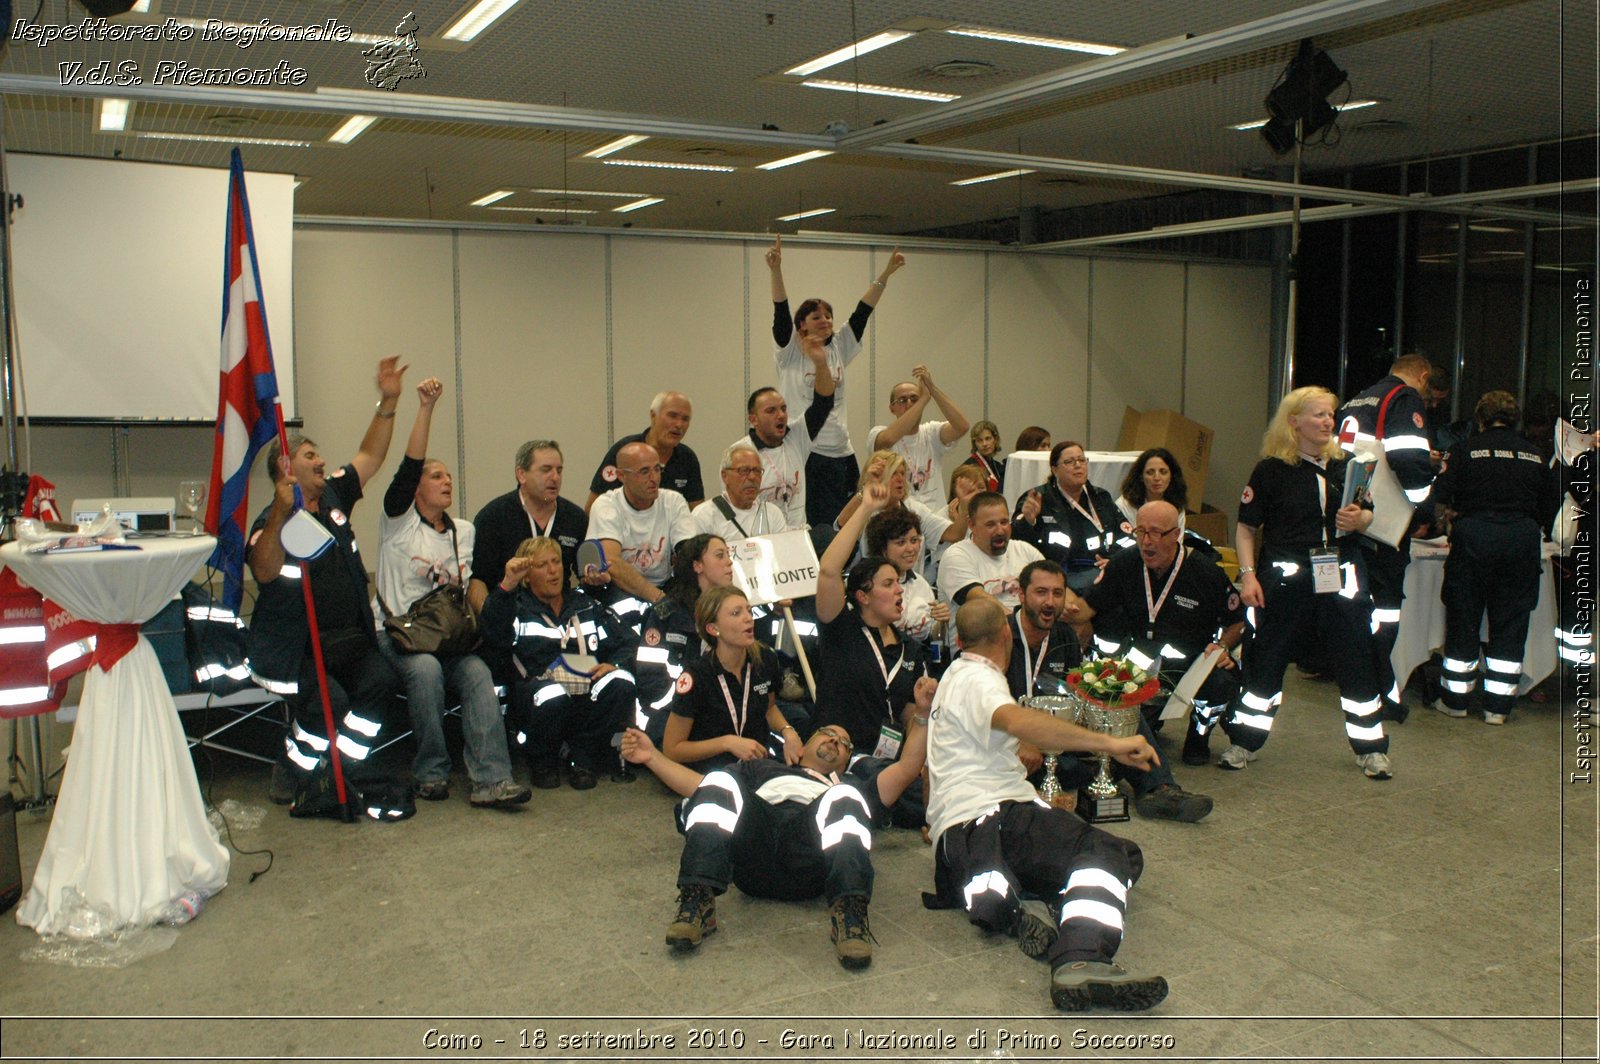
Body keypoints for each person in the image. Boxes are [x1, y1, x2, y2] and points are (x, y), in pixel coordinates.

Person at [926, 596, 1168, 1012]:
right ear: (1006, 635)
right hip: (996, 819)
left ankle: (1018, 899)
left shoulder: (953, 676)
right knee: (1108, 852)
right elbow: (1017, 720)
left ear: (961, 639)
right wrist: (1111, 743)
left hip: (958, 842)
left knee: (1126, 856)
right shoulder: (980, 679)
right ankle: (1081, 957)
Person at [623, 711, 930, 970]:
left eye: (844, 744)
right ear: (807, 741)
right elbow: (699, 787)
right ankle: (697, 900)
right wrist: (652, 757)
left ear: (846, 759)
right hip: (754, 854)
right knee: (719, 779)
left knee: (847, 796)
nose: (835, 741)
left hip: (808, 864)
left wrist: (923, 715)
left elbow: (906, 768)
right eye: (827, 734)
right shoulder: (762, 766)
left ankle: (849, 915)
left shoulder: (848, 784)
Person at [248, 355, 410, 820]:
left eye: (318, 454)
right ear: (285, 470)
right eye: (309, 456)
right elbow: (263, 571)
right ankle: (296, 767)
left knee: (382, 685)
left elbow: (372, 456)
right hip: (298, 648)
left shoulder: (335, 496)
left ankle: (343, 767)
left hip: (350, 641)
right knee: (329, 705)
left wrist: (389, 401)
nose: (321, 462)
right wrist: (281, 512)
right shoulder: (269, 521)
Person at [1219, 386, 1392, 780]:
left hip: (1341, 573)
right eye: (1318, 414)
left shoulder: (1348, 465)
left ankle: (1371, 749)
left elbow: (1368, 513)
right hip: (1286, 577)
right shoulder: (1271, 470)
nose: (1328, 421)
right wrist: (1248, 578)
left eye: (1330, 414)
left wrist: (1359, 521)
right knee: (1266, 658)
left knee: (1356, 657)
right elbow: (1246, 530)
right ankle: (1244, 741)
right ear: (1294, 421)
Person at [374, 376, 530, 809]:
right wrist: (425, 408)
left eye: (448, 476)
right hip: (401, 634)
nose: (445, 481)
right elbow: (408, 467)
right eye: (435, 475)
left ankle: (492, 780)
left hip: (450, 637)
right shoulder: (397, 525)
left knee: (477, 673)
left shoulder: (465, 531)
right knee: (425, 672)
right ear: (416, 489)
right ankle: (431, 771)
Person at [1019, 554, 1214, 821]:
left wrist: (1106, 712)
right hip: (1015, 739)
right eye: (1041, 592)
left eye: (1057, 593)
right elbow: (986, 707)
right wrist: (1022, 739)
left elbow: (1077, 693)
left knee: (1118, 706)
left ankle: (1160, 788)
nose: (1050, 602)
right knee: (1072, 769)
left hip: (1056, 732)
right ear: (1021, 595)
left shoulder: (1063, 634)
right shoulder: (1001, 634)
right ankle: (1102, 772)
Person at [1072, 501, 1247, 771]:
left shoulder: (1206, 573)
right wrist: (1058, 607)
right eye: (1140, 532)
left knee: (1223, 681)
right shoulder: (1125, 563)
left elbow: (1237, 622)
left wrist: (1224, 646)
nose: (1146, 542)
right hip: (1142, 664)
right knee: (1135, 738)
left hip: (1191, 663)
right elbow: (1088, 607)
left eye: (1156, 533)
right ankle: (1149, 718)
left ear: (1175, 535)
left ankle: (1199, 734)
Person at [1431, 392, 1558, 724]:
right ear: (1515, 420)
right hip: (1521, 541)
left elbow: (1440, 500)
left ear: (1480, 419)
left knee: (1464, 619)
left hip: (1474, 539)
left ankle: (1455, 701)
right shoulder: (1535, 455)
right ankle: (1497, 709)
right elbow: (1549, 508)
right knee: (1511, 625)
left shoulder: (1463, 451)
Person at [767, 234, 906, 526]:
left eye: (829, 316)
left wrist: (887, 273)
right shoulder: (790, 350)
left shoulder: (840, 345)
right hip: (808, 449)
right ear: (802, 324)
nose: (826, 321)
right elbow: (781, 312)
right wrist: (776, 270)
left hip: (841, 449)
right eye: (816, 317)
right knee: (817, 523)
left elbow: (863, 311)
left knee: (850, 519)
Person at [480, 537, 638, 790]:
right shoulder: (516, 608)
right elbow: (493, 634)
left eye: (556, 562)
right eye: (542, 565)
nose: (553, 570)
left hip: (585, 689)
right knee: (553, 693)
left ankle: (582, 758)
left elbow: (628, 641)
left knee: (622, 681)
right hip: (539, 695)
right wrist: (506, 586)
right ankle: (543, 762)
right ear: (527, 576)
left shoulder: (584, 604)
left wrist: (615, 664)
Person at [1337, 353, 1438, 723]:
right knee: (1385, 615)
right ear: (1422, 377)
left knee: (1358, 610)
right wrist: (1423, 508)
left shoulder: (1359, 398)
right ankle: (1379, 691)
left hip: (1350, 520)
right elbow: (1409, 462)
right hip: (1383, 528)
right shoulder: (1404, 399)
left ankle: (1374, 686)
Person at [815, 483, 933, 756]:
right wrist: (866, 507)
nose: (899, 589)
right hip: (837, 755)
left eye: (898, 583)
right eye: (889, 584)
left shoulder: (909, 649)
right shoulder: (841, 628)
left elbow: (908, 714)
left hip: (886, 761)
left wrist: (925, 712)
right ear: (863, 596)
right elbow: (829, 570)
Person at [661, 586, 803, 771]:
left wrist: (788, 731)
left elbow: (769, 707)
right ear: (713, 628)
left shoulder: (765, 659)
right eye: (736, 613)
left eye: (749, 611)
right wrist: (727, 743)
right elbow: (672, 749)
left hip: (757, 766)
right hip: (711, 774)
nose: (748, 618)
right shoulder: (697, 675)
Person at [468, 439, 588, 613]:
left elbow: (585, 575)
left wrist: (595, 579)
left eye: (559, 470)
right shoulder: (493, 517)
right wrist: (491, 621)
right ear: (521, 475)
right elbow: (477, 580)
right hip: (511, 617)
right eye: (546, 470)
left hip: (561, 618)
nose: (555, 477)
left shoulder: (575, 518)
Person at [634, 534, 735, 740]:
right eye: (720, 555)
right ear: (697, 566)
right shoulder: (665, 614)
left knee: (796, 721)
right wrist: (690, 702)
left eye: (728, 555)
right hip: (672, 711)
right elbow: (650, 681)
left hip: (726, 706)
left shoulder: (736, 610)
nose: (729, 561)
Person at [586, 440, 697, 623]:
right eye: (644, 471)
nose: (654, 478)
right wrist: (659, 599)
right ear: (621, 476)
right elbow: (611, 562)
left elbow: (689, 552)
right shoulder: (606, 505)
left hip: (666, 585)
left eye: (657, 469)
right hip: (621, 590)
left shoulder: (673, 501)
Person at [1014, 441, 1133, 593]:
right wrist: (1028, 522)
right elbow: (1015, 543)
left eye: (1082, 460)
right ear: (1055, 470)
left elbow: (1128, 537)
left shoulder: (1101, 497)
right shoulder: (1038, 498)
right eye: (1069, 462)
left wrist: (1114, 560)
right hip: (1054, 575)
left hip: (1101, 570)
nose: (1078, 465)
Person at [834, 449, 972, 574]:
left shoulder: (914, 509)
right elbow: (841, 525)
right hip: (872, 587)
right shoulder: (865, 508)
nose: (900, 479)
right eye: (893, 473)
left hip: (912, 588)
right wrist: (867, 490)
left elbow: (955, 534)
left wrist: (965, 504)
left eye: (902, 473)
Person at [868, 364, 972, 512]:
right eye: (903, 400)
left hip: (936, 519)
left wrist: (932, 390)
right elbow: (889, 439)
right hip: (900, 519)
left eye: (914, 399)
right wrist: (922, 400)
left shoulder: (931, 432)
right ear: (892, 408)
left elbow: (962, 426)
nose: (909, 404)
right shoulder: (878, 433)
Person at [741, 377, 834, 533]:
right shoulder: (741, 454)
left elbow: (824, 403)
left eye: (783, 409)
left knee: (828, 535)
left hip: (799, 535)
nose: (781, 415)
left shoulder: (796, 438)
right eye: (771, 411)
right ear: (753, 419)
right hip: (763, 538)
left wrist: (820, 362)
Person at [586, 391, 704, 510]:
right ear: (653, 416)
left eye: (685, 419)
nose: (679, 424)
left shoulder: (687, 458)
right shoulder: (625, 451)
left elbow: (697, 512)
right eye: (672, 416)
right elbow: (593, 507)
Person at [938, 491, 1046, 614]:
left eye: (1004, 522)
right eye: (991, 525)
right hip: (981, 629)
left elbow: (1052, 585)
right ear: (972, 525)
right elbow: (980, 603)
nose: (1000, 531)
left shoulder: (1025, 550)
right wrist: (1020, 626)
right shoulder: (957, 555)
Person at [865, 507, 947, 644]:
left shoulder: (921, 584)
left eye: (914, 540)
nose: (911, 549)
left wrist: (941, 622)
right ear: (882, 547)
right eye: (901, 542)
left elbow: (933, 642)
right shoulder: (867, 584)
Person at [692, 441, 787, 541]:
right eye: (744, 470)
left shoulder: (772, 513)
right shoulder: (704, 516)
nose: (752, 477)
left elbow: (782, 553)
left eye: (757, 471)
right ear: (725, 476)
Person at [1114, 448, 1188, 530]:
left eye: (1163, 472)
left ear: (1171, 476)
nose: (1157, 478)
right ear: (1141, 477)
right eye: (1150, 472)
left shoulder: (1177, 505)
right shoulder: (1125, 505)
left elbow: (1176, 541)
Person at [960, 419, 1006, 494]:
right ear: (975, 444)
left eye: (988, 439)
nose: (984, 444)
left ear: (995, 439)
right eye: (979, 440)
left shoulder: (997, 466)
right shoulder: (969, 467)